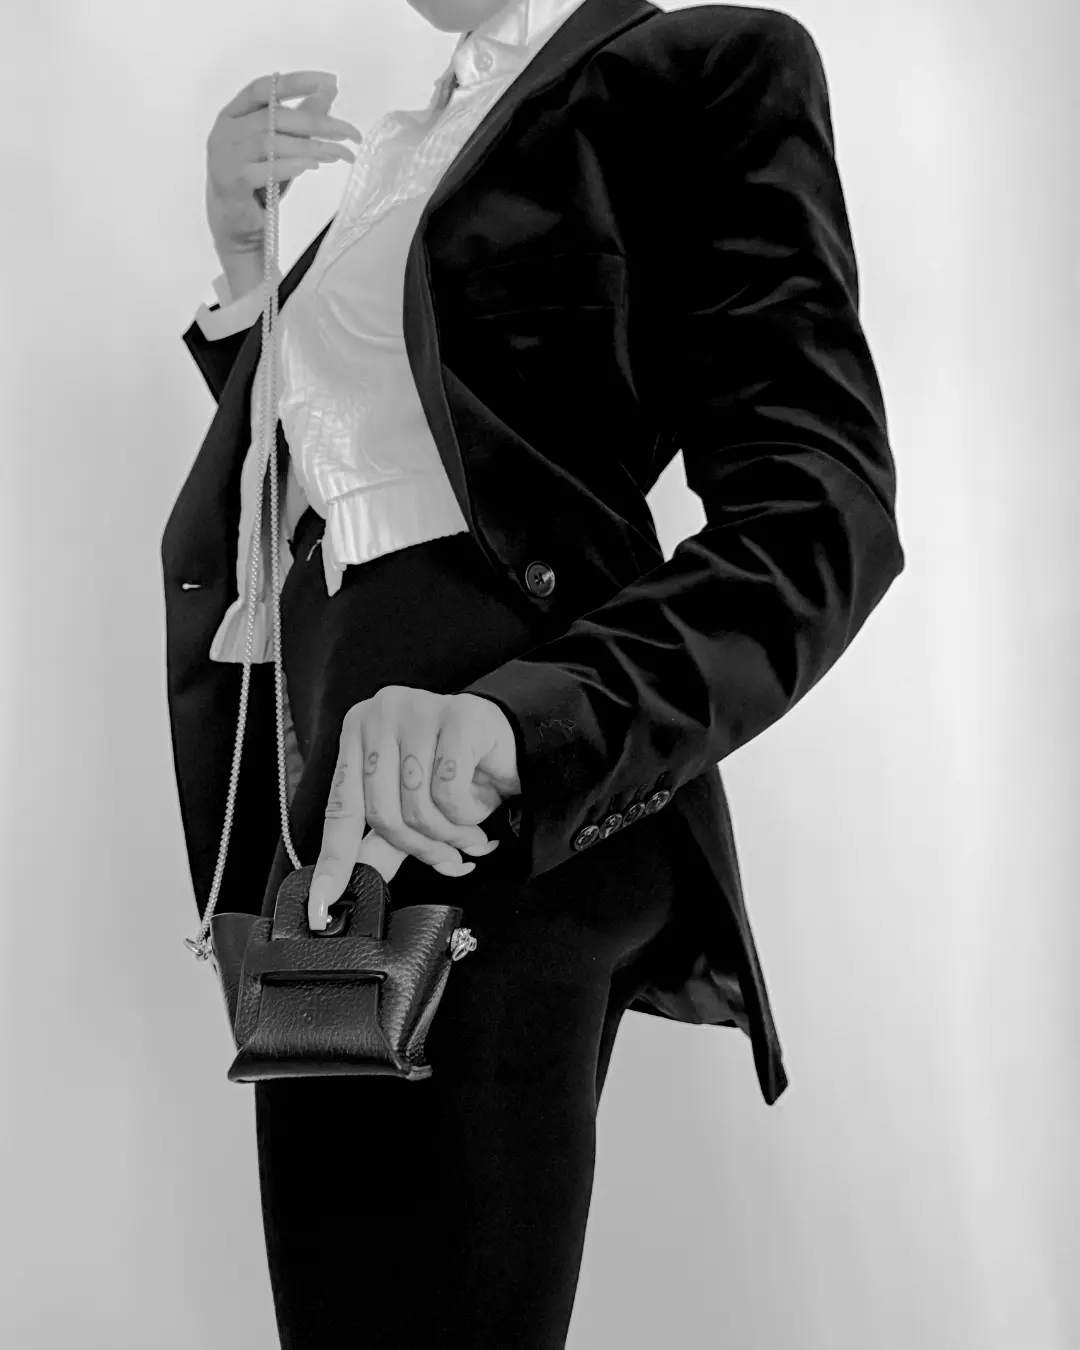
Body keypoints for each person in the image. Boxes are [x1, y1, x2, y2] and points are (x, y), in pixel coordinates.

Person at [160, 0, 905, 1345]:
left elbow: (820, 513)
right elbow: (348, 479)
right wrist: (247, 266)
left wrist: (521, 730)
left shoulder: (702, 68)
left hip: (496, 801)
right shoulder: (405, 149)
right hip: (329, 828)